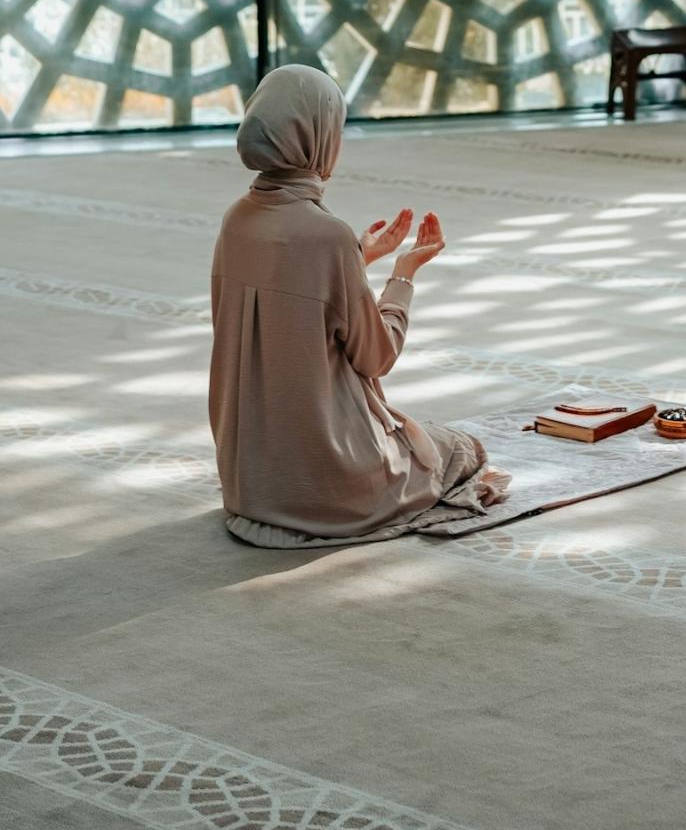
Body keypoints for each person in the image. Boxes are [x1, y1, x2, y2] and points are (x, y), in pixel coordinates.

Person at [209, 63, 511, 546]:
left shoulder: (237, 218)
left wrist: (357, 258)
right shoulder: (325, 236)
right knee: (459, 450)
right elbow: (376, 356)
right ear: (317, 135)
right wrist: (403, 274)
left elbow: (285, 307)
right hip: (329, 482)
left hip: (251, 481)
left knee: (433, 442)